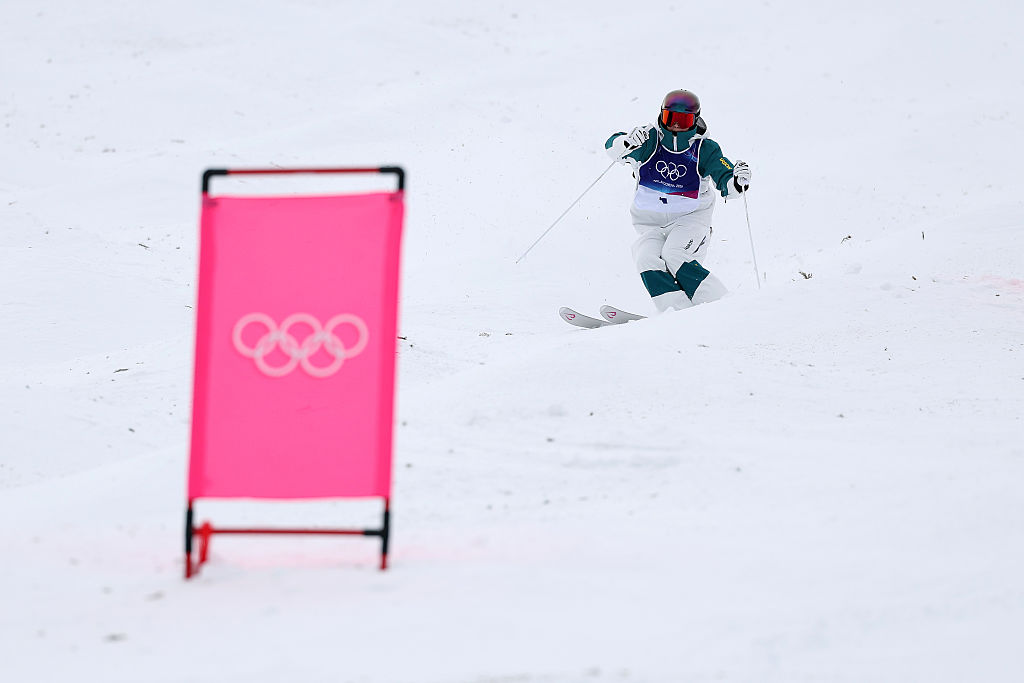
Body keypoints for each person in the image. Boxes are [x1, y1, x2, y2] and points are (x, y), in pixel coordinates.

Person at [605, 89, 751, 312]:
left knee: (674, 254)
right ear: (661, 116)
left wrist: (737, 181)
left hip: (690, 221)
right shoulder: (649, 140)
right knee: (645, 258)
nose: (675, 126)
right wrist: (626, 141)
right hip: (650, 224)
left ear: (695, 121)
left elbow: (726, 180)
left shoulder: (704, 149)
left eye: (683, 121)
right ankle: (678, 311)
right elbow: (612, 148)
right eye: (670, 118)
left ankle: (721, 304)